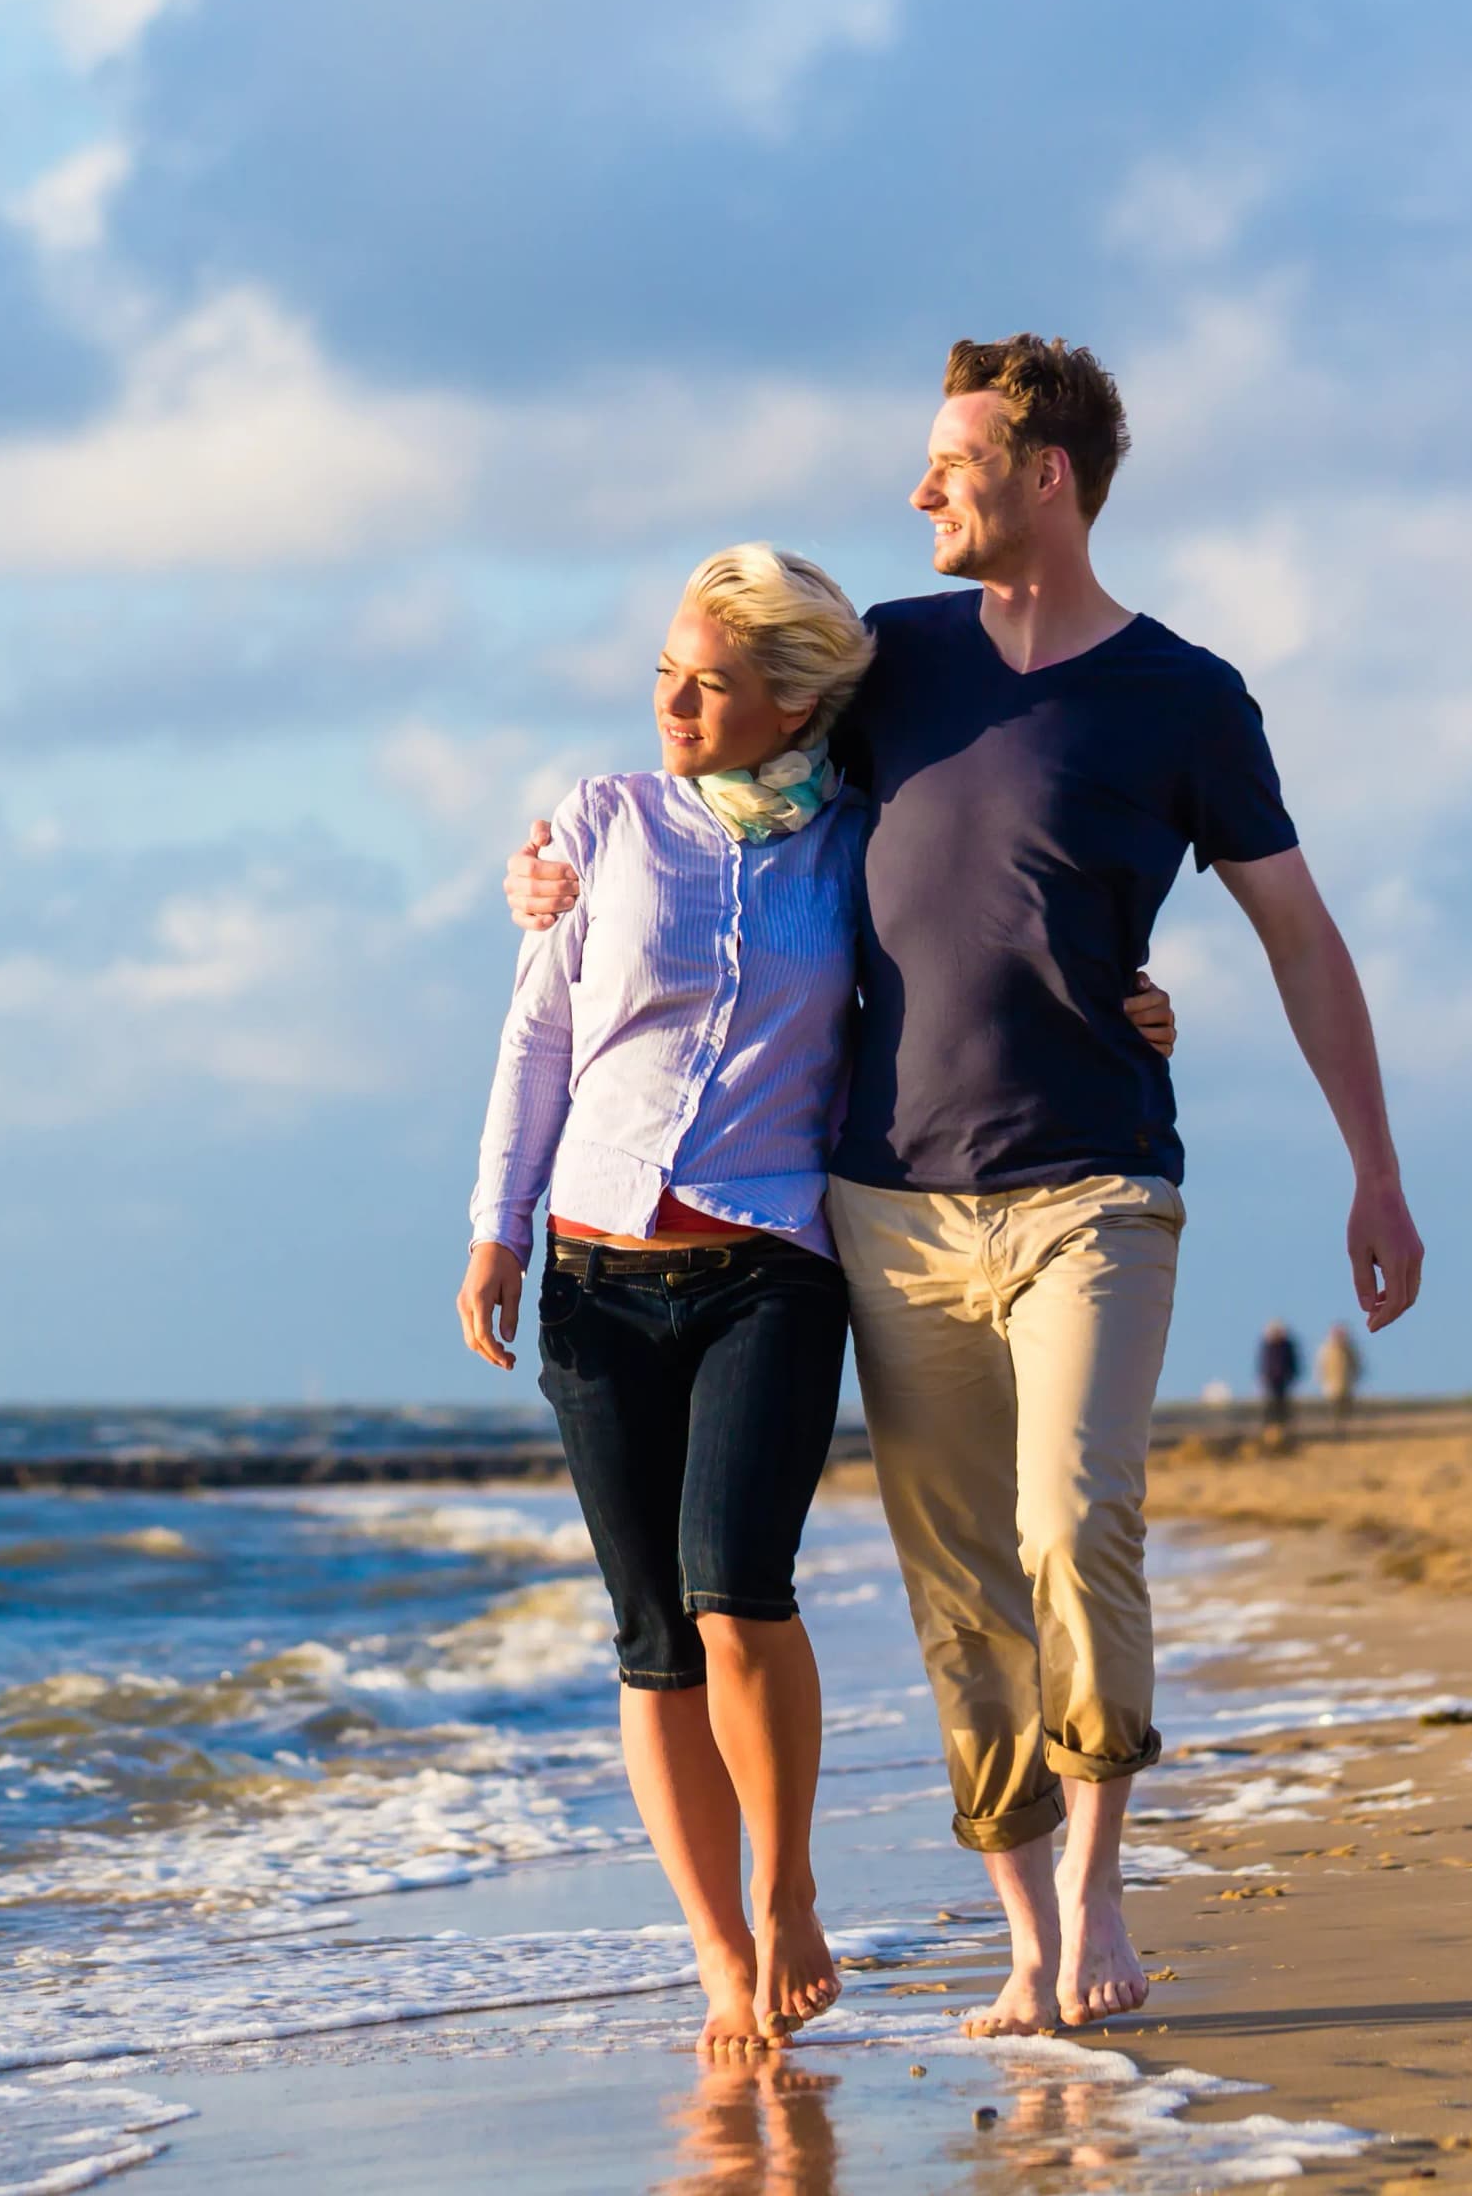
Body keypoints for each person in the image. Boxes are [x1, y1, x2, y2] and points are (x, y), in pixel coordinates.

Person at [509, 334, 1422, 2038]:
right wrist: (554, 866)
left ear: (1044, 474)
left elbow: (1299, 932)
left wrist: (1374, 1165)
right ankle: (1021, 1933)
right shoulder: (896, 665)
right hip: (887, 1199)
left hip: (1095, 1183)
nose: (921, 489)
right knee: (958, 1585)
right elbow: (721, 779)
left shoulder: (1188, 698)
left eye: (953, 460)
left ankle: (1099, 1893)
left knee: (1075, 1523)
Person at [459, 543, 1179, 2054]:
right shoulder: (605, 823)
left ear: (793, 702)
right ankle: (720, 1953)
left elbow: (967, 961)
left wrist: (1123, 1000)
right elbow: (537, 1040)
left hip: (772, 1260)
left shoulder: (856, 842)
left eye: (710, 682)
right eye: (665, 670)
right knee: (650, 1630)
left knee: (739, 1596)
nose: (674, 700)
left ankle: (786, 1891)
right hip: (595, 1265)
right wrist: (498, 1230)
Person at [1255, 1321, 1300, 1441]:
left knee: (1282, 1405)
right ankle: (1269, 1431)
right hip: (1271, 1380)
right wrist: (1263, 1376)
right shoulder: (1268, 1345)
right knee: (1270, 1406)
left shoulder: (1286, 1345)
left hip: (1283, 1380)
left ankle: (1283, 1429)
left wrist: (1292, 1375)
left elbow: (1292, 1362)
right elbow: (1264, 1363)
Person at [1318, 1321, 1363, 1436]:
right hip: (1331, 1385)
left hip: (1347, 1384)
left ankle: (1345, 1429)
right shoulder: (1326, 1349)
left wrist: (1355, 1378)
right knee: (1334, 1409)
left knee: (1346, 1409)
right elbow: (1321, 1367)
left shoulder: (1350, 1349)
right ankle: (1335, 1429)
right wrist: (1323, 1381)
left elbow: (1356, 1365)